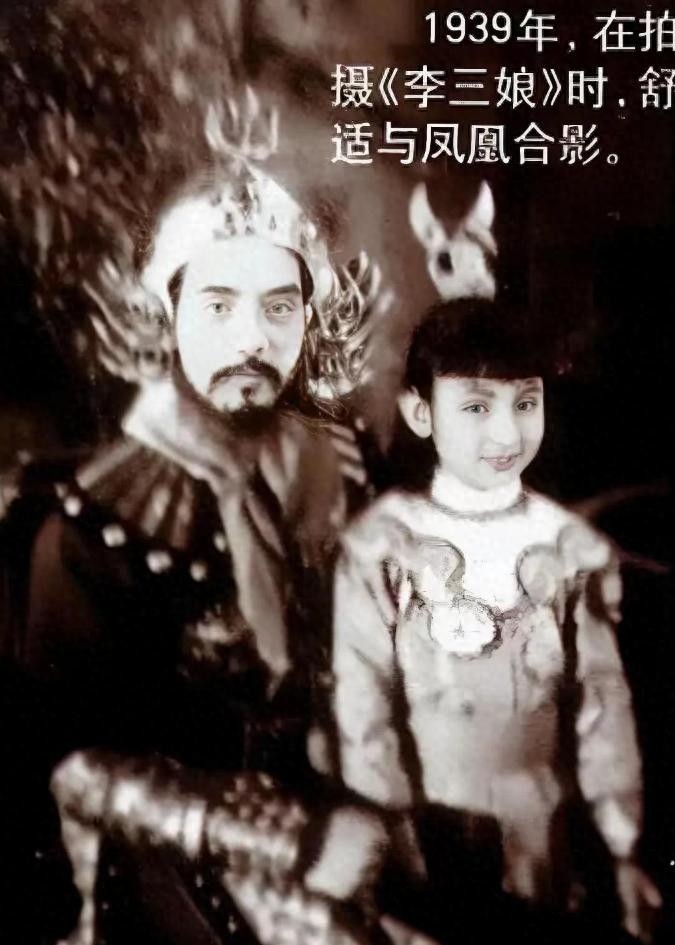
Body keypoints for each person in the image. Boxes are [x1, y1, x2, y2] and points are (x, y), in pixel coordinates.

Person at [0, 150, 401, 945]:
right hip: (168, 867)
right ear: (167, 314)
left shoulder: (334, 469)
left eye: (279, 307)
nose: (252, 338)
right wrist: (282, 840)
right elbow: (72, 764)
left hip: (352, 822)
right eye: (218, 306)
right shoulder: (89, 524)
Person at [332, 298, 662, 942]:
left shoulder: (568, 548)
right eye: (477, 408)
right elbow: (362, 693)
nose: (507, 434)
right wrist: (386, 815)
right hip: (422, 833)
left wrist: (622, 845)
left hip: (537, 836)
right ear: (420, 413)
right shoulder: (384, 545)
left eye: (525, 403)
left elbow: (602, 699)